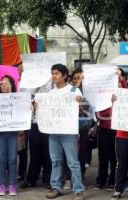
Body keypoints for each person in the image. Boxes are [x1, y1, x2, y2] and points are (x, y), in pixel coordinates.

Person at [41, 64, 84, 200]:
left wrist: (79, 104)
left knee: (73, 162)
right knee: (55, 161)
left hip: (68, 132)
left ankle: (78, 190)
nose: (54, 76)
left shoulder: (74, 91)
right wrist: (37, 106)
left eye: (57, 73)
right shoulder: (49, 94)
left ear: (65, 75)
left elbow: (81, 111)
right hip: (53, 132)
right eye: (53, 73)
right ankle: (56, 187)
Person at [0, 75, 19, 196]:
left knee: (12, 159)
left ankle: (12, 185)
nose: (5, 85)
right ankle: (2, 185)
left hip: (12, 133)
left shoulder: (18, 99)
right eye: (2, 84)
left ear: (12, 85)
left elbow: (23, 113)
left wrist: (29, 108)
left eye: (7, 83)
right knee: (2, 158)